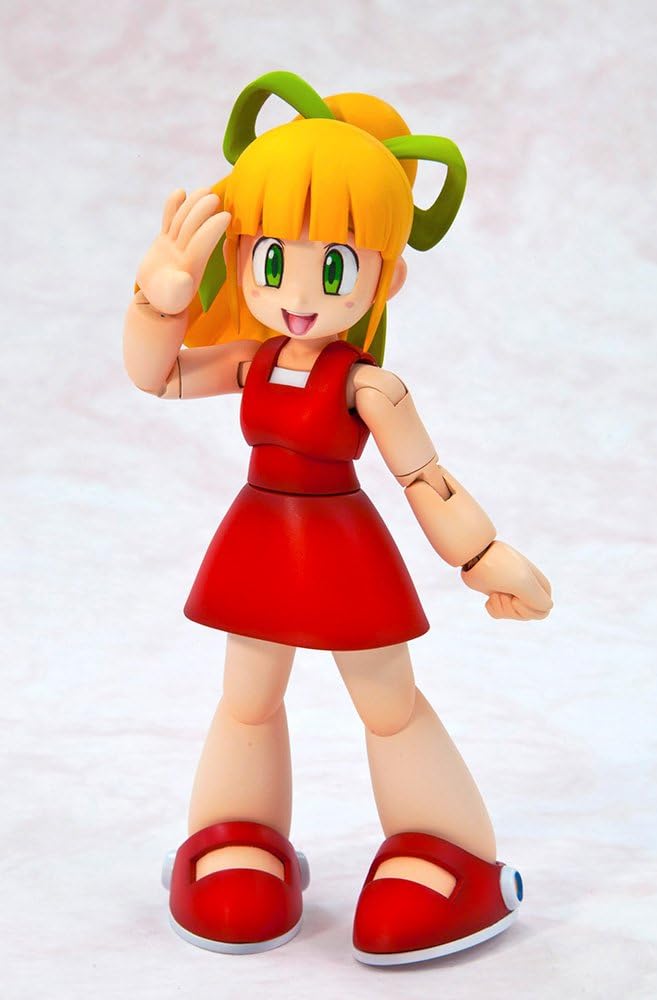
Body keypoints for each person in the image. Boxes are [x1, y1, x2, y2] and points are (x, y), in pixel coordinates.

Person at [123, 71, 552, 965]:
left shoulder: (368, 385)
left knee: (386, 702)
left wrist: (483, 557)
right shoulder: (251, 359)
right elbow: (159, 376)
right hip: (259, 542)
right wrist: (158, 299)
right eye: (272, 257)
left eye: (335, 265)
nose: (299, 290)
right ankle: (238, 838)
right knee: (248, 697)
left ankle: (447, 854)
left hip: (343, 548)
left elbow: (423, 476)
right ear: (243, 254)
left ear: (385, 276)